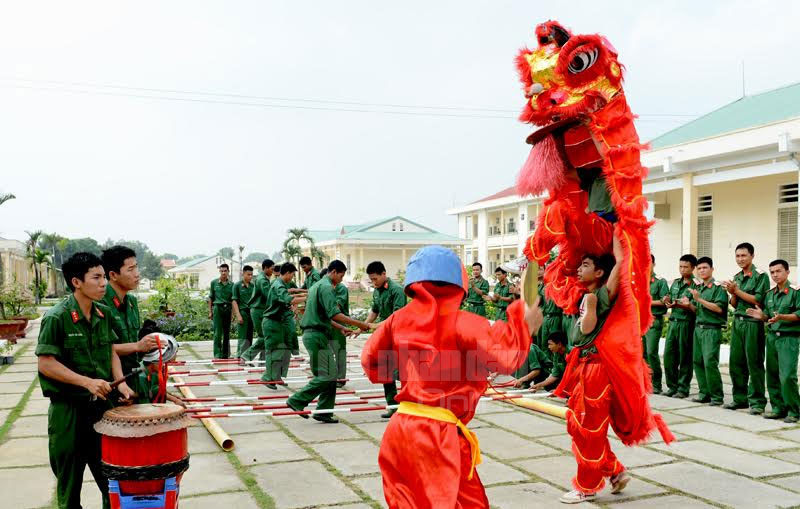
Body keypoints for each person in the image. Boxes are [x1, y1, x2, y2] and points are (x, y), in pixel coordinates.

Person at [362, 245, 540, 508]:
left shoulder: (396, 321)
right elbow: (506, 357)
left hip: (399, 432)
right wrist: (525, 325)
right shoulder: (463, 322)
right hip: (438, 436)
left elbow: (371, 363)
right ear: (458, 282)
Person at [36, 252, 135, 509]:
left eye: (104, 277)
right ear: (76, 282)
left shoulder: (103, 314)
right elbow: (46, 363)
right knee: (70, 488)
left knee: (112, 483)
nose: (103, 283)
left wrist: (120, 382)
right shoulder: (57, 317)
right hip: (68, 413)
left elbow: (111, 349)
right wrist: (87, 382)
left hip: (101, 409)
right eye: (97, 277)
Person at [557, 235, 628, 504]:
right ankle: (615, 471)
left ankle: (587, 486)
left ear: (599, 272)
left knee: (588, 429)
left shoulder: (600, 295)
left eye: (585, 264)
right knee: (579, 427)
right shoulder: (585, 294)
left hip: (596, 370)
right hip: (581, 367)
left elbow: (587, 329)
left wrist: (618, 238)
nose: (579, 268)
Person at [286, 260, 374, 423]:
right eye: (341, 275)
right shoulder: (326, 287)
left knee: (327, 375)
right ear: (334, 272)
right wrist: (361, 324)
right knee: (330, 374)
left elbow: (325, 315)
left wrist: (340, 327)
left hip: (315, 333)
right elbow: (334, 313)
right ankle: (297, 400)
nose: (341, 279)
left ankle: (324, 411)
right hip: (316, 335)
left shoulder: (316, 286)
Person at [747, 260, 800, 422]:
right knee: (772, 375)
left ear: (787, 272)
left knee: (788, 376)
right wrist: (761, 316)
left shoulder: (795, 292)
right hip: (772, 338)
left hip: (788, 339)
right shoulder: (769, 294)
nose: (775, 275)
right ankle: (778, 407)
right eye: (772, 272)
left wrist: (782, 317)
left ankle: (793, 410)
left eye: (779, 271)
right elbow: (769, 316)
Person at [722, 242, 768, 414]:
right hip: (738, 322)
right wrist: (732, 292)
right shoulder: (737, 276)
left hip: (752, 323)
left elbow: (758, 300)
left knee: (754, 363)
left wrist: (737, 291)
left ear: (752, 256)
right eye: (737, 256)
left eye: (743, 255)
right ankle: (739, 399)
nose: (740, 259)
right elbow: (734, 304)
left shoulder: (760, 276)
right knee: (736, 363)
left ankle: (757, 402)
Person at [100, 246, 157, 376]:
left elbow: (135, 341)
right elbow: (100, 348)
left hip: (132, 374)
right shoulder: (100, 304)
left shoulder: (131, 301)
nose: (137, 274)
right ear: (113, 275)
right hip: (110, 379)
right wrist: (137, 346)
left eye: (136, 267)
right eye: (130, 269)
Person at [365, 260, 407, 418]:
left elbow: (397, 317)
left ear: (384, 274)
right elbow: (374, 311)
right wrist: (364, 325)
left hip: (398, 336)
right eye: (371, 280)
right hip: (384, 336)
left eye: (375, 279)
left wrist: (376, 327)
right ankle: (393, 406)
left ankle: (409, 405)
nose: (373, 282)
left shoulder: (397, 290)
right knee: (386, 371)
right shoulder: (376, 290)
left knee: (403, 372)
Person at [687, 257, 728, 406]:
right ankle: (704, 393)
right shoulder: (699, 288)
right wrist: (687, 304)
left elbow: (719, 308)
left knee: (710, 362)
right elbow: (696, 309)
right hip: (699, 329)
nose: (702, 270)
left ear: (712, 269)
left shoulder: (718, 288)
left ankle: (716, 396)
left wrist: (700, 300)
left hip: (711, 329)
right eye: (699, 268)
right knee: (697, 361)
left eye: (705, 268)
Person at [260, 263, 306, 389]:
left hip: (279, 322)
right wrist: (307, 297)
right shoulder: (278, 285)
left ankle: (276, 376)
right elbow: (288, 299)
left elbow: (288, 299)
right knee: (275, 351)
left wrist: (301, 297)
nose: (292, 277)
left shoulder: (282, 284)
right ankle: (267, 377)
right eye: (292, 274)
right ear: (287, 273)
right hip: (272, 322)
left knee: (284, 349)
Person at [662, 254, 698, 398]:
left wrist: (686, 305)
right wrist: (667, 300)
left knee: (685, 357)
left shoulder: (696, 285)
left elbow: (696, 307)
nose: (682, 270)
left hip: (686, 324)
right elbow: (670, 298)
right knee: (669, 356)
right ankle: (672, 386)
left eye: (686, 267)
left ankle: (683, 388)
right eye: (680, 266)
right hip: (673, 323)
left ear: (693, 268)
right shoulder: (676, 283)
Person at [643, 255, 668, 394]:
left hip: (653, 320)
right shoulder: (639, 280)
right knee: (642, 354)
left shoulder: (660, 282)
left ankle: (656, 383)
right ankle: (646, 382)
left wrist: (646, 301)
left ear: (654, 264)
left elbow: (664, 301)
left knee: (652, 353)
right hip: (640, 322)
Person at [241, 259, 275, 362]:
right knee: (264, 336)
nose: (272, 271)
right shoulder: (262, 280)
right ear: (265, 268)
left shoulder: (264, 278)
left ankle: (263, 360)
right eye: (271, 269)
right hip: (258, 310)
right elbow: (269, 295)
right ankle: (246, 356)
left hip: (261, 310)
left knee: (266, 336)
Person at [208, 263, 234, 359]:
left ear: (228, 272)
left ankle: (226, 354)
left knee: (227, 333)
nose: (223, 273)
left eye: (225, 271)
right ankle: (217, 354)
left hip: (228, 308)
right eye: (222, 271)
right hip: (217, 308)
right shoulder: (214, 283)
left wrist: (232, 314)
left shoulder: (232, 285)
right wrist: (210, 312)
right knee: (217, 333)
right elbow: (211, 298)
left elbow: (233, 300)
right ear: (220, 271)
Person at [232, 265, 255, 358]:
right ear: (243, 274)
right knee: (243, 337)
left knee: (250, 336)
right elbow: (234, 301)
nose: (250, 276)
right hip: (243, 312)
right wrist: (238, 315)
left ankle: (247, 357)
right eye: (248, 274)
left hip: (251, 313)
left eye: (251, 275)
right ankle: (240, 356)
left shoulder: (253, 286)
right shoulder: (237, 285)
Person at [538, 270, 564, 351]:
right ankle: (547, 363)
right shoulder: (542, 287)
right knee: (545, 343)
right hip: (546, 317)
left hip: (555, 316)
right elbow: (539, 302)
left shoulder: (558, 284)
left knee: (555, 343)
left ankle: (556, 363)